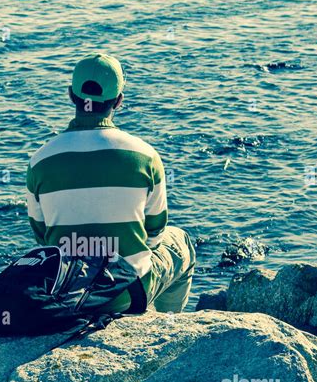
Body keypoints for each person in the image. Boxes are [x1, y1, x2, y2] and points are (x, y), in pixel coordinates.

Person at [26, 52, 196, 314]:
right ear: (118, 101)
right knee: (181, 242)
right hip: (126, 295)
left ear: (71, 95)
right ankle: (167, 322)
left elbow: (43, 241)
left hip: (70, 294)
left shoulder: (40, 160)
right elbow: (155, 235)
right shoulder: (145, 155)